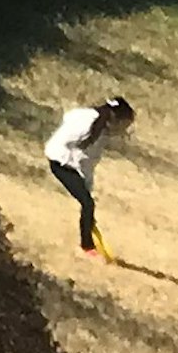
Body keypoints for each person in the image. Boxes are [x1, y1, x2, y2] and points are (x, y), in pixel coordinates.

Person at [44, 89, 133, 259]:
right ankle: (86, 247)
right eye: (123, 124)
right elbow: (74, 149)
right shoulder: (87, 123)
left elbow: (89, 162)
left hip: (69, 164)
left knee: (88, 204)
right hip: (60, 162)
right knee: (87, 204)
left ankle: (87, 235)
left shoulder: (98, 129)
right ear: (114, 117)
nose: (123, 130)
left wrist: (87, 188)